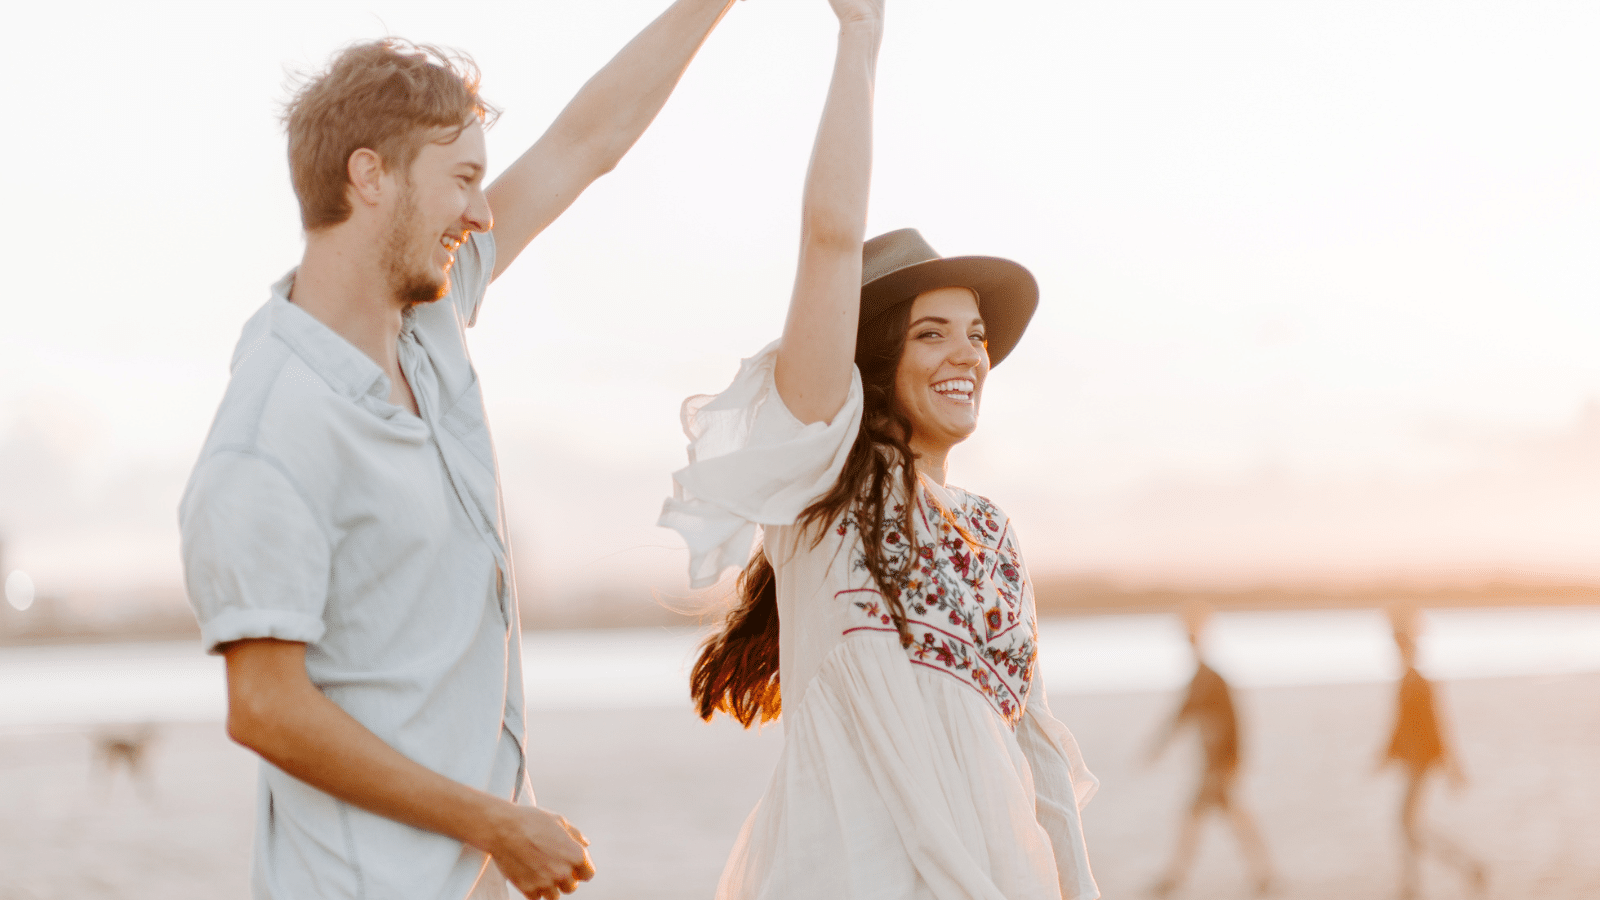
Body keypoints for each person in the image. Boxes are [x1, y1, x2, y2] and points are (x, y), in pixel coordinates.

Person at [178, 5, 741, 899]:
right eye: (464, 179)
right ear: (371, 177)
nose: (484, 211)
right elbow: (266, 709)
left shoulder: (426, 319)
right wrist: (496, 824)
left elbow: (586, 141)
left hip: (477, 869)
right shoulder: (269, 435)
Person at [657, 2, 1098, 896]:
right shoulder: (823, 490)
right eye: (933, 333)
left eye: (976, 335)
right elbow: (827, 238)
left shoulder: (993, 533)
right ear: (875, 354)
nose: (969, 354)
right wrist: (861, 37)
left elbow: (1038, 753)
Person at [1144, 601, 1273, 896]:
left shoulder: (1211, 679)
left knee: (1209, 819)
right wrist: (1156, 747)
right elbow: (1180, 717)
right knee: (1220, 818)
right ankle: (1262, 873)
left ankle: (1176, 876)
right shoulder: (1201, 678)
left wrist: (1230, 764)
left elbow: (1232, 725)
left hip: (1218, 766)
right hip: (1212, 766)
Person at [1381, 607, 1487, 899]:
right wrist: (1388, 754)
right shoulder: (1408, 679)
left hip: (1420, 763)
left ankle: (1463, 868)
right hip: (1414, 762)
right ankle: (1414, 883)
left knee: (1408, 825)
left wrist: (1454, 766)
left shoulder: (1418, 682)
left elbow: (1438, 726)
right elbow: (1400, 727)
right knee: (1408, 825)